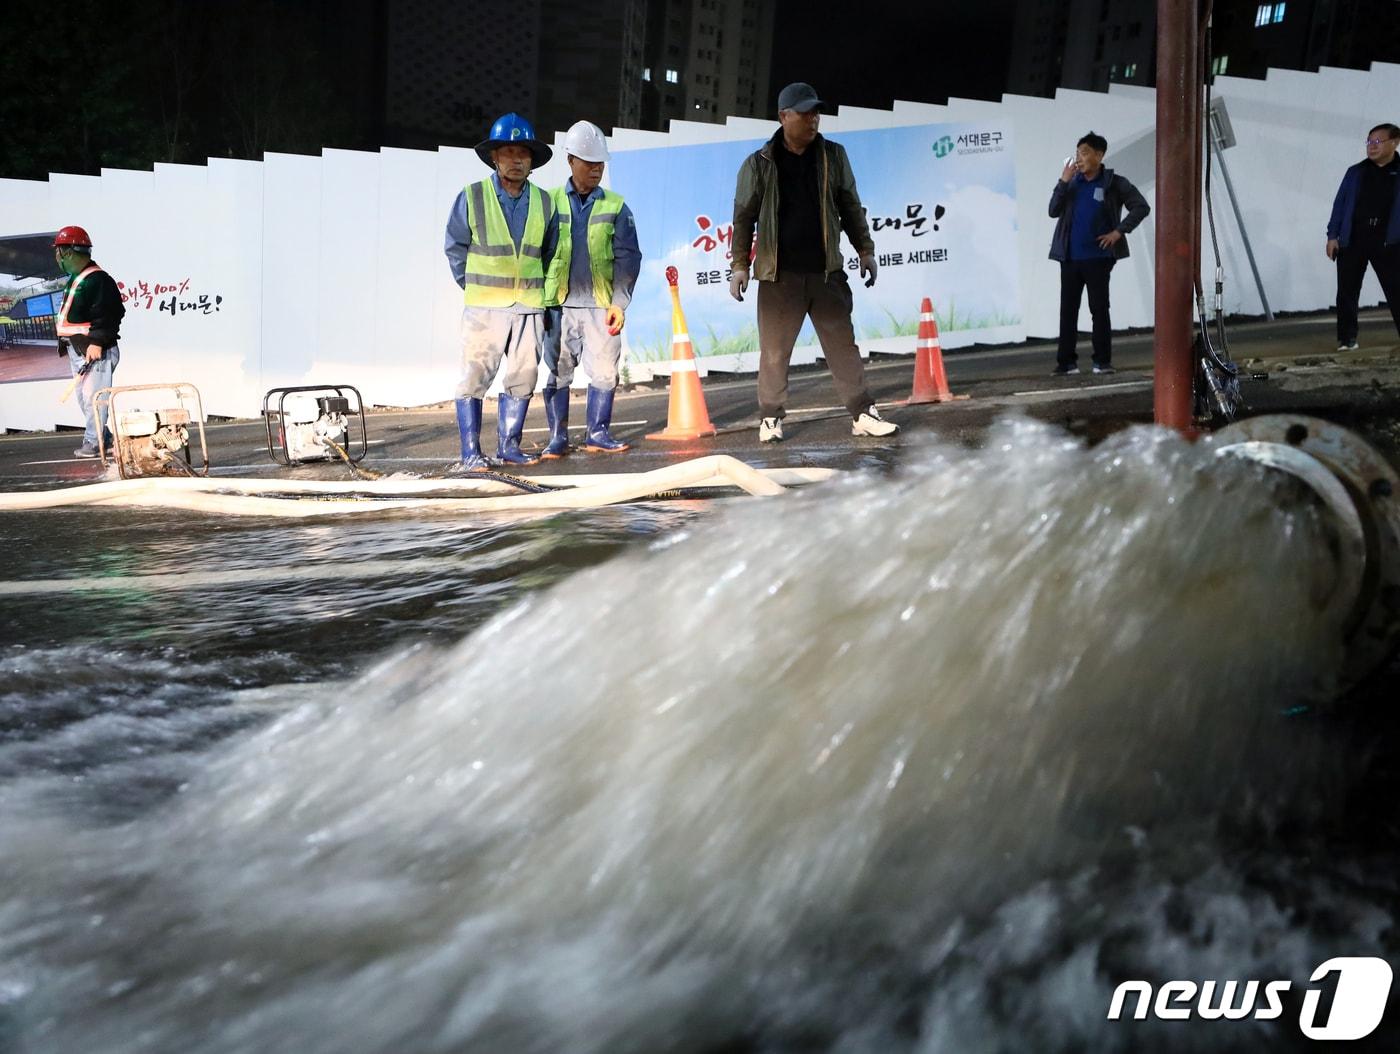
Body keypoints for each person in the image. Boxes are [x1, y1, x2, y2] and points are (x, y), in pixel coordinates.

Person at [729, 81, 898, 443]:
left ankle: (862, 413)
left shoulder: (833, 156)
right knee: (774, 352)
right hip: (779, 276)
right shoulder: (759, 164)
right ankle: (771, 418)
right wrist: (740, 266)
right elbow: (743, 217)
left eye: (816, 112)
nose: (813, 119)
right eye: (804, 112)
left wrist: (864, 250)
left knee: (843, 347)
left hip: (826, 274)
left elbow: (851, 206)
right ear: (783, 116)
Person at [443, 112, 559, 470]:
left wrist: (544, 301)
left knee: (524, 376)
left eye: (522, 153)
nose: (516, 160)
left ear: (532, 160)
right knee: (475, 377)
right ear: (494, 157)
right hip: (484, 309)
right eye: (507, 152)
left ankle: (509, 446)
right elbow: (455, 247)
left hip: (528, 307)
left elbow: (550, 251)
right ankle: (471, 453)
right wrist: (475, 287)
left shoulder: (544, 202)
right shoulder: (472, 196)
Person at [539, 120, 642, 457]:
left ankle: (598, 433)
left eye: (600, 163)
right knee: (558, 371)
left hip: (601, 305)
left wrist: (619, 302)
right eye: (589, 162)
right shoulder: (548, 202)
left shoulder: (616, 207)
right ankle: (558, 437)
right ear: (570, 160)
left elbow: (628, 257)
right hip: (559, 304)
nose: (596, 169)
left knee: (605, 371)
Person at [1047, 131, 1150, 376]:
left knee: (1099, 309)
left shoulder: (1113, 182)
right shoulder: (1071, 183)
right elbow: (1053, 211)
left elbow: (1141, 206)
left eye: (1084, 153)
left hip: (1098, 258)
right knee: (1068, 311)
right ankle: (1066, 364)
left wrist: (1118, 232)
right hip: (1069, 258)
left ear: (1099, 155)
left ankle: (1101, 362)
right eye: (1077, 154)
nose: (1079, 159)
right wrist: (1063, 181)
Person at [1326, 122, 1400, 351]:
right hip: (1354, 239)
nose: (1372, 146)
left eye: (1378, 141)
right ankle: (1347, 339)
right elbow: (1339, 205)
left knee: (1396, 289)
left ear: (1395, 143)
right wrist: (1332, 235)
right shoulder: (1356, 172)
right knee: (1347, 292)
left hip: (1389, 241)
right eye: (1369, 142)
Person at [52, 226, 124, 458]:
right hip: (79, 348)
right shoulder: (78, 279)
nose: (58, 258)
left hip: (95, 350)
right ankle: (105, 438)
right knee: (85, 399)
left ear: (71, 252)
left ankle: (94, 443)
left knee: (95, 397)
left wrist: (98, 342)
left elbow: (111, 314)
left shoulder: (98, 280)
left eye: (60, 252)